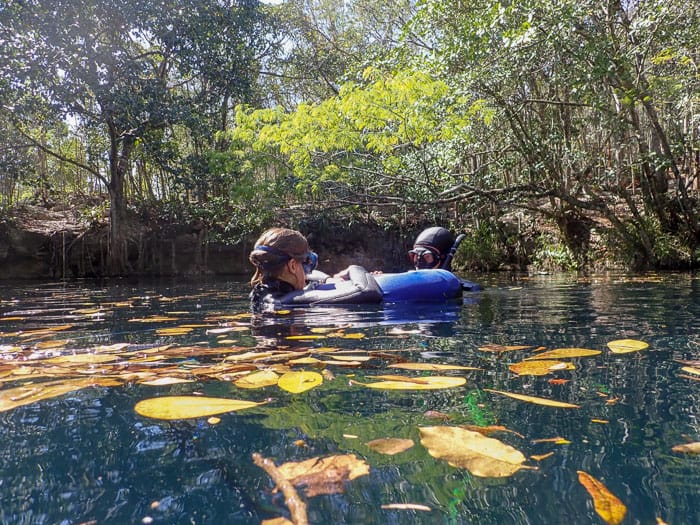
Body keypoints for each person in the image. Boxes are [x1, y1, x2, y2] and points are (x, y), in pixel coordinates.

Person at [249, 227, 382, 312]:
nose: (308, 271)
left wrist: (329, 279)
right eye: (306, 265)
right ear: (293, 266)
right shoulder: (294, 300)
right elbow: (367, 291)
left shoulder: (263, 293)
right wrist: (355, 268)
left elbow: (310, 276)